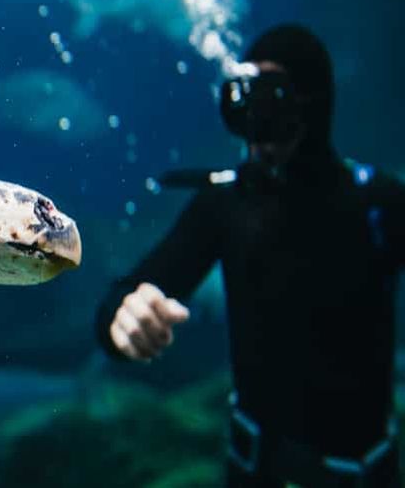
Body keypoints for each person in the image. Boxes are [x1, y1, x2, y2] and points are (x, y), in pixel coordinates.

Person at [96, 25, 405, 487]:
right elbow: (127, 294)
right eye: (249, 103)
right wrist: (123, 318)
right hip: (255, 471)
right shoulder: (226, 202)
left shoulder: (378, 202)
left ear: (313, 103)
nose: (259, 124)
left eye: (275, 99)